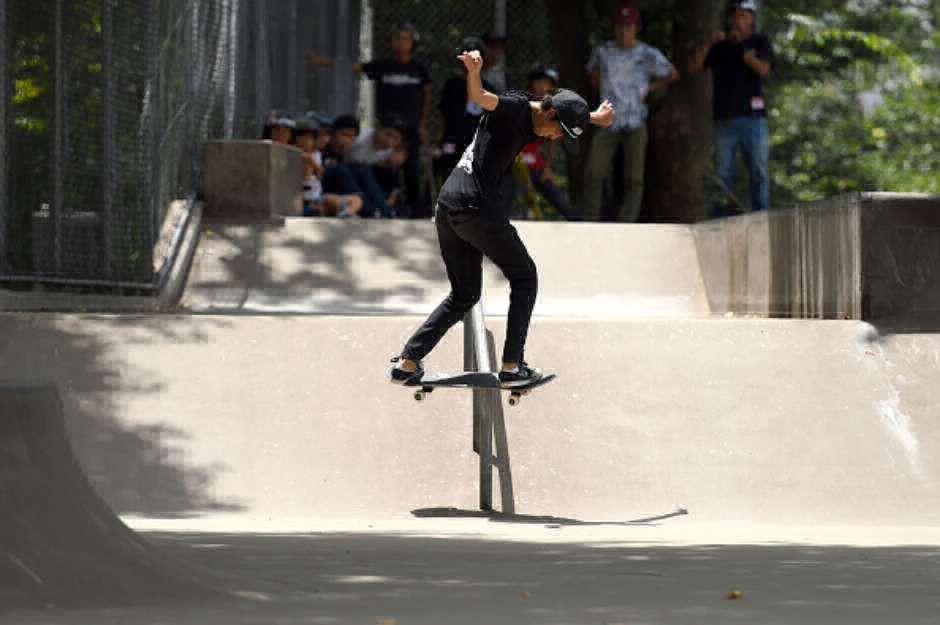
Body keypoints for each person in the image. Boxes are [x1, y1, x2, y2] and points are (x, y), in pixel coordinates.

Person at [388, 49, 615, 387]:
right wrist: (474, 71)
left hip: (449, 205)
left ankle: (408, 362)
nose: (554, 138)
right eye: (557, 132)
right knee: (525, 276)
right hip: (477, 207)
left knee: (464, 294)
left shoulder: (547, 110)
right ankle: (512, 366)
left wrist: (595, 117)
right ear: (548, 113)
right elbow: (480, 97)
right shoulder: (514, 108)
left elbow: (564, 112)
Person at [308, 23, 432, 217]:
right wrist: (322, 62)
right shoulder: (383, 66)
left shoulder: (419, 68)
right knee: (370, 170)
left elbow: (426, 95)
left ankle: (414, 212)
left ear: (413, 43)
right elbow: (354, 67)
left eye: (405, 39)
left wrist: (421, 124)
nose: (401, 43)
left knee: (411, 172)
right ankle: (379, 207)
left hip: (408, 129)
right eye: (397, 38)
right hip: (387, 127)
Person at [583, 2, 678, 222]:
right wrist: (605, 90)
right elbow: (591, 73)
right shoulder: (604, 51)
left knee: (634, 178)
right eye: (621, 26)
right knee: (594, 172)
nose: (624, 31)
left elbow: (672, 74)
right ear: (615, 28)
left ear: (636, 28)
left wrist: (649, 89)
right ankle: (589, 220)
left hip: (635, 121)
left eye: (629, 26)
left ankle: (627, 221)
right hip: (607, 120)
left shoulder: (647, 53)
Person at [691, 0, 774, 214]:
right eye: (736, 15)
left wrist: (747, 55)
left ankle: (761, 214)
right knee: (722, 174)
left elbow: (764, 70)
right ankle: (719, 218)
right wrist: (711, 42)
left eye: (744, 15)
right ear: (729, 19)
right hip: (724, 120)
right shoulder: (720, 46)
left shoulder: (759, 42)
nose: (739, 20)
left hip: (754, 119)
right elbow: (694, 67)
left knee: (759, 171)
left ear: (752, 18)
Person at [520, 64, 576, 220]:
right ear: (532, 84)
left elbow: (553, 141)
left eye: (548, 83)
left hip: (535, 163)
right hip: (513, 161)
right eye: (539, 82)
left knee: (556, 196)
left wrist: (547, 167)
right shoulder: (521, 102)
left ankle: (576, 221)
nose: (543, 87)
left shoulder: (552, 107)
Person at [434, 36, 493, 187]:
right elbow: (442, 113)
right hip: (452, 136)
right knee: (445, 165)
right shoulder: (452, 85)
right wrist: (439, 138)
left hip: (476, 139)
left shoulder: (488, 87)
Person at [321, 115, 397, 218]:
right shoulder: (323, 147)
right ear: (333, 134)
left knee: (362, 169)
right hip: (324, 193)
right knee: (342, 170)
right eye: (344, 135)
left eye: (352, 137)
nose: (348, 140)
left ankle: (384, 210)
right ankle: (371, 211)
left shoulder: (346, 151)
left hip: (344, 193)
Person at [294, 119, 363, 218]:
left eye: (310, 138)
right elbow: (306, 176)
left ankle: (346, 213)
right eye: (303, 137)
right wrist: (312, 163)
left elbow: (320, 175)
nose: (306, 141)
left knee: (357, 200)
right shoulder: (296, 154)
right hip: (303, 201)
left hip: (318, 197)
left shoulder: (317, 154)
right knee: (326, 206)